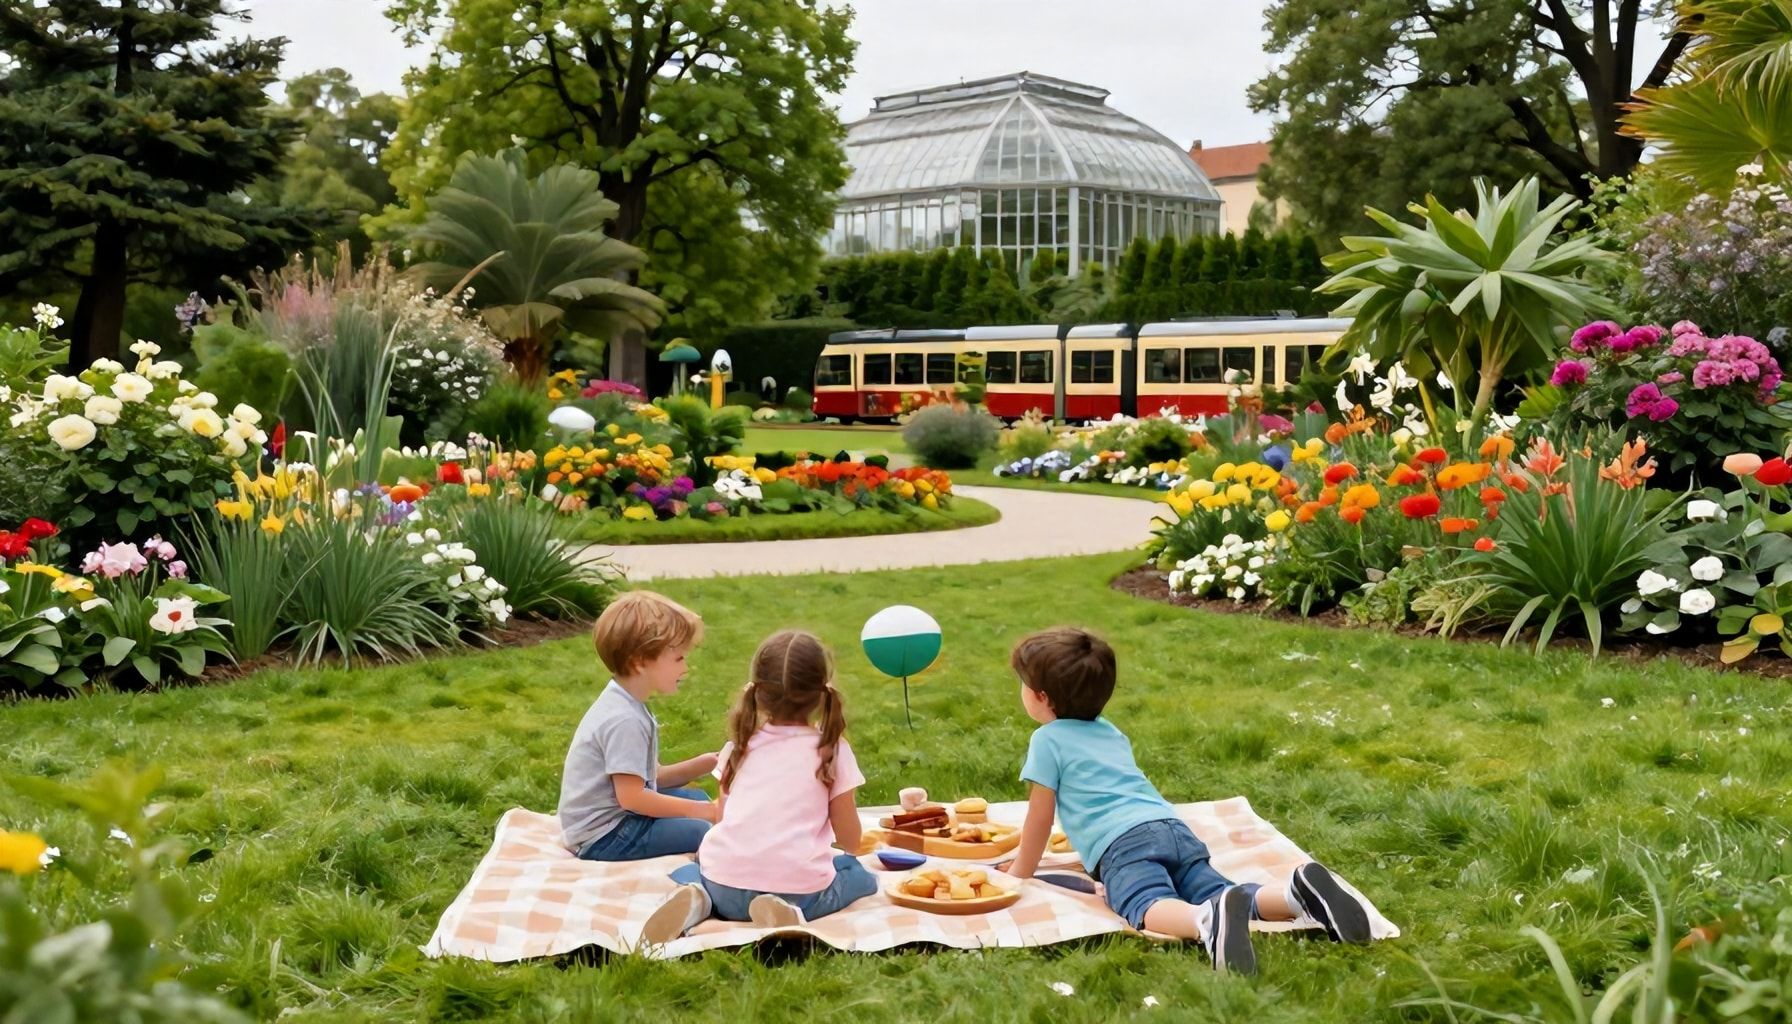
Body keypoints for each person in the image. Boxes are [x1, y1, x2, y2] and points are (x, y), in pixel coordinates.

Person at [999, 627, 1374, 974]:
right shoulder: (1110, 732)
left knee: (1143, 901)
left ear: (1041, 697)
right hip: (1173, 828)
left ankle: (1205, 923)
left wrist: (1020, 872)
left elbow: (1040, 818)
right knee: (1219, 891)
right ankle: (1295, 895)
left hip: (1123, 845)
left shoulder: (1046, 741)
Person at [641, 630, 876, 943]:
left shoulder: (739, 746)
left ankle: (696, 897)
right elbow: (849, 838)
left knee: (692, 869)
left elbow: (723, 819)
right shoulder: (831, 750)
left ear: (758, 692)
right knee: (858, 874)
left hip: (724, 887)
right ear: (822, 693)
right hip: (798, 892)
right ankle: (786, 913)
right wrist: (843, 853)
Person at [558, 591, 718, 861]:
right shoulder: (625, 720)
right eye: (679, 658)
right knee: (703, 831)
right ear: (639, 662)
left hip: (613, 820)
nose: (686, 668)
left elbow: (650, 778)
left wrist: (706, 763)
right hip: (604, 835)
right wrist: (704, 812)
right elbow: (633, 798)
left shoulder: (625, 702)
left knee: (700, 799)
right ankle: (696, 888)